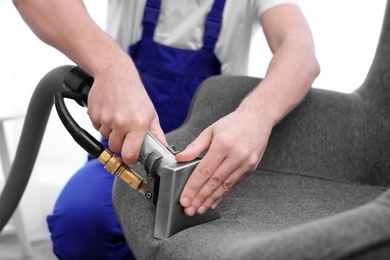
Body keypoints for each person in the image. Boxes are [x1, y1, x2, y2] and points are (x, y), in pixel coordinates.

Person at [13, 0, 320, 259]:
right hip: (127, 152)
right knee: (80, 224)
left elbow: (300, 50)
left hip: (207, 162)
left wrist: (256, 117)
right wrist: (111, 66)